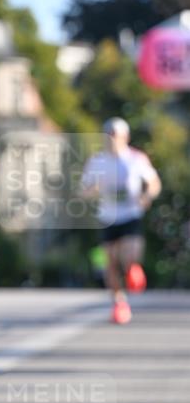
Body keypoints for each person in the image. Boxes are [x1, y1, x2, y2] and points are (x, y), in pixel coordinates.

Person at [81, 118, 161, 324]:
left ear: (125, 137)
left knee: (129, 254)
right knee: (110, 264)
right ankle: (119, 304)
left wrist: (147, 196)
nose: (111, 139)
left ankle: (133, 268)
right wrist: (92, 190)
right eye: (108, 135)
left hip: (131, 216)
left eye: (115, 135)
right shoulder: (96, 161)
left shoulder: (136, 159)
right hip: (107, 217)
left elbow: (154, 183)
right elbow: (83, 190)